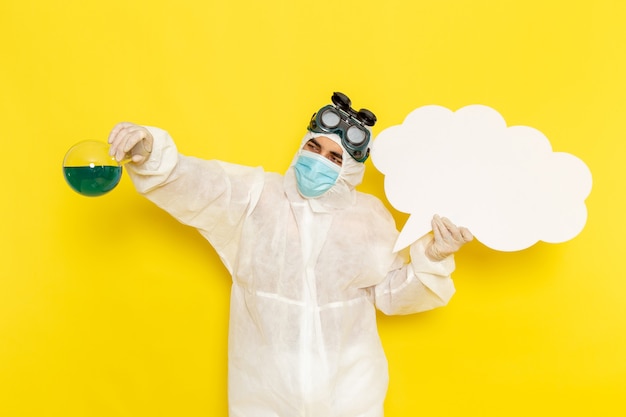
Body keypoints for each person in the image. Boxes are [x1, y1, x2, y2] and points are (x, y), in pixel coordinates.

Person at [108, 92, 473, 417]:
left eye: (334, 157)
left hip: (351, 391)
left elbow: (391, 293)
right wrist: (149, 153)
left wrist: (434, 257)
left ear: (350, 169)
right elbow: (198, 183)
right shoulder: (256, 197)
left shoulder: (369, 217)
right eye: (314, 148)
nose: (319, 161)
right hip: (265, 390)